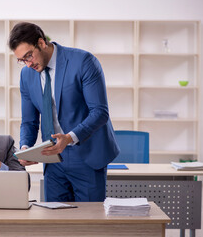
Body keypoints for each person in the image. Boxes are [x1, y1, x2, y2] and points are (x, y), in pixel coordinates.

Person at [8, 22, 120, 202]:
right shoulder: (26, 75)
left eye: (29, 56)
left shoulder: (83, 61)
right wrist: (25, 148)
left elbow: (99, 112)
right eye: (22, 60)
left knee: (89, 222)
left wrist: (68, 138)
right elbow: (29, 121)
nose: (28, 64)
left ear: (42, 43)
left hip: (86, 154)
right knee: (56, 223)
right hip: (53, 159)